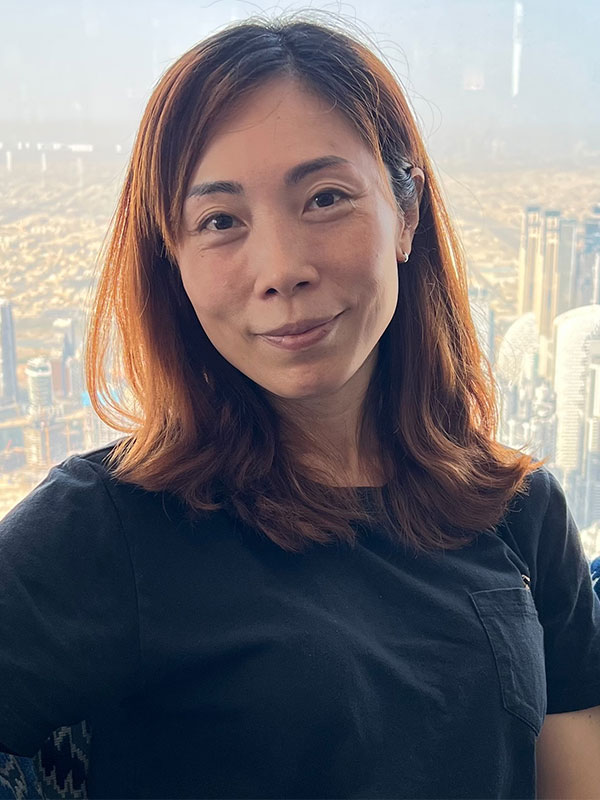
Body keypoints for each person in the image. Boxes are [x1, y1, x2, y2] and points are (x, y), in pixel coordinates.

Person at [1, 12, 599, 800]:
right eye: (220, 221)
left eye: (325, 198)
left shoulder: (522, 514)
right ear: (172, 260)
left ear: (406, 212)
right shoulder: (106, 529)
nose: (281, 268)